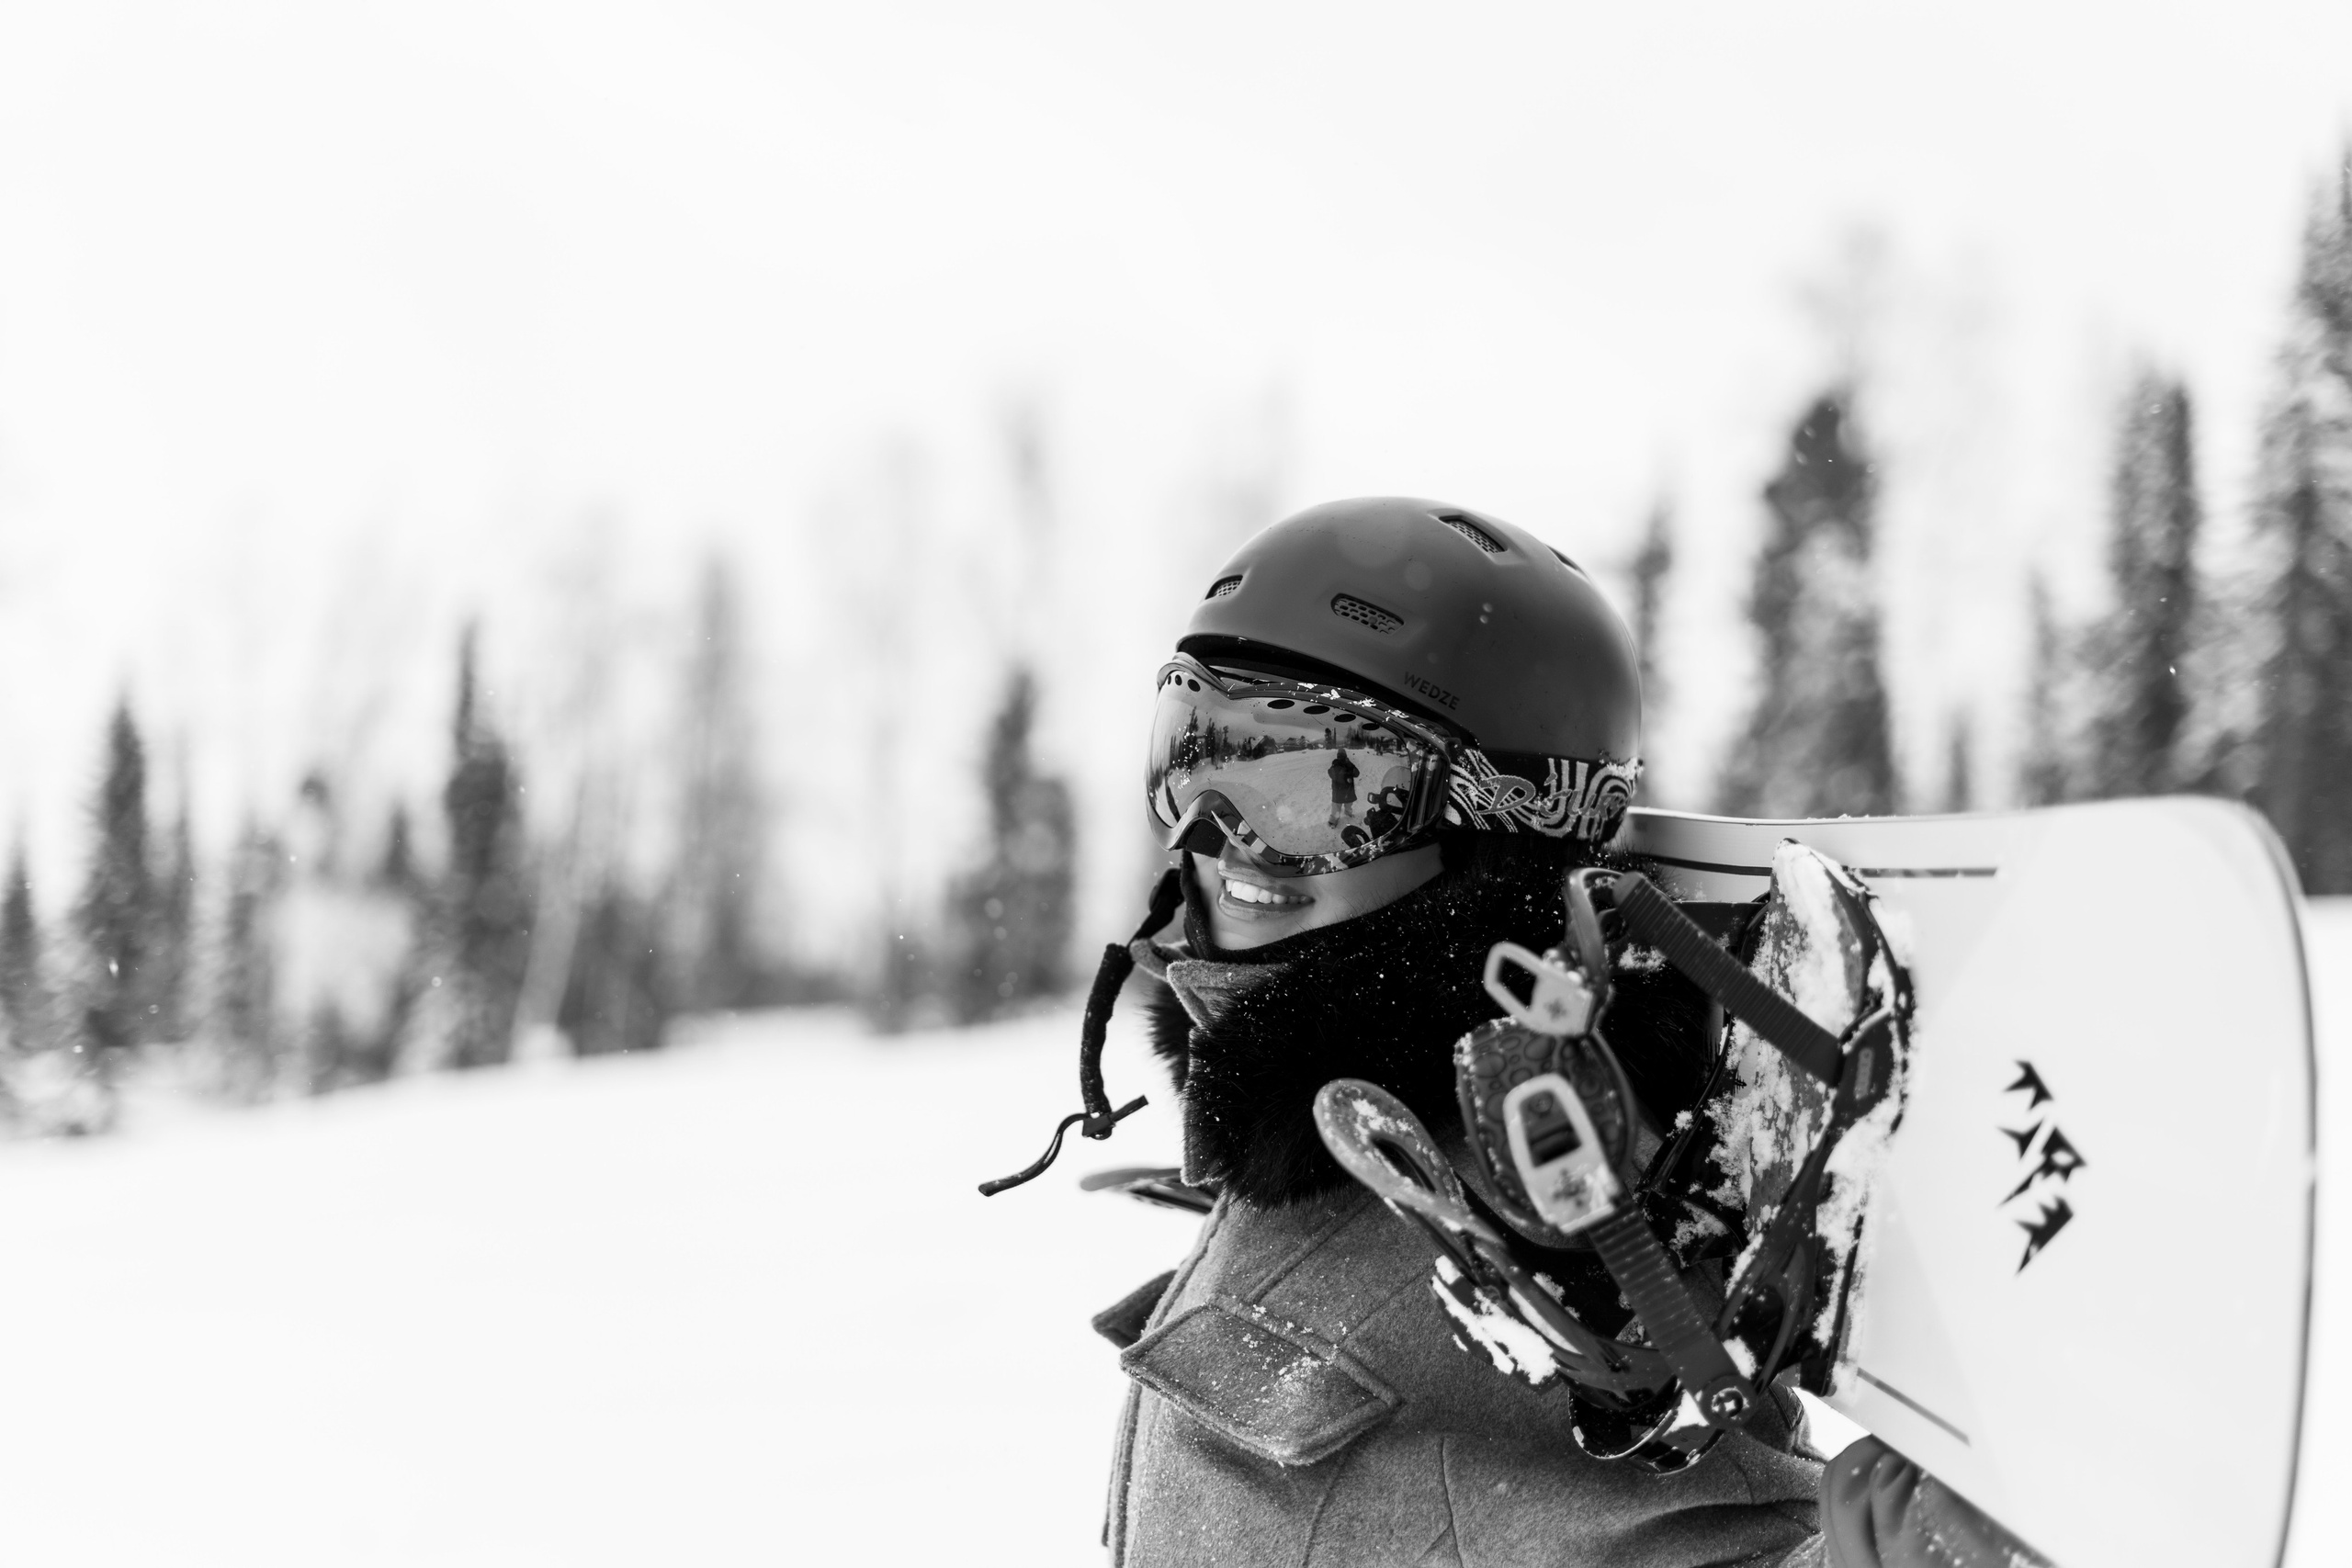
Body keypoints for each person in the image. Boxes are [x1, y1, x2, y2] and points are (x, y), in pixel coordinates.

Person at [993, 497, 2043, 1566]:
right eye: (1197, 759)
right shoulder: (1317, 1122)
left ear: (1497, 816)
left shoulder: (1554, 1174)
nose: (1223, 839)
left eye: (1309, 785)